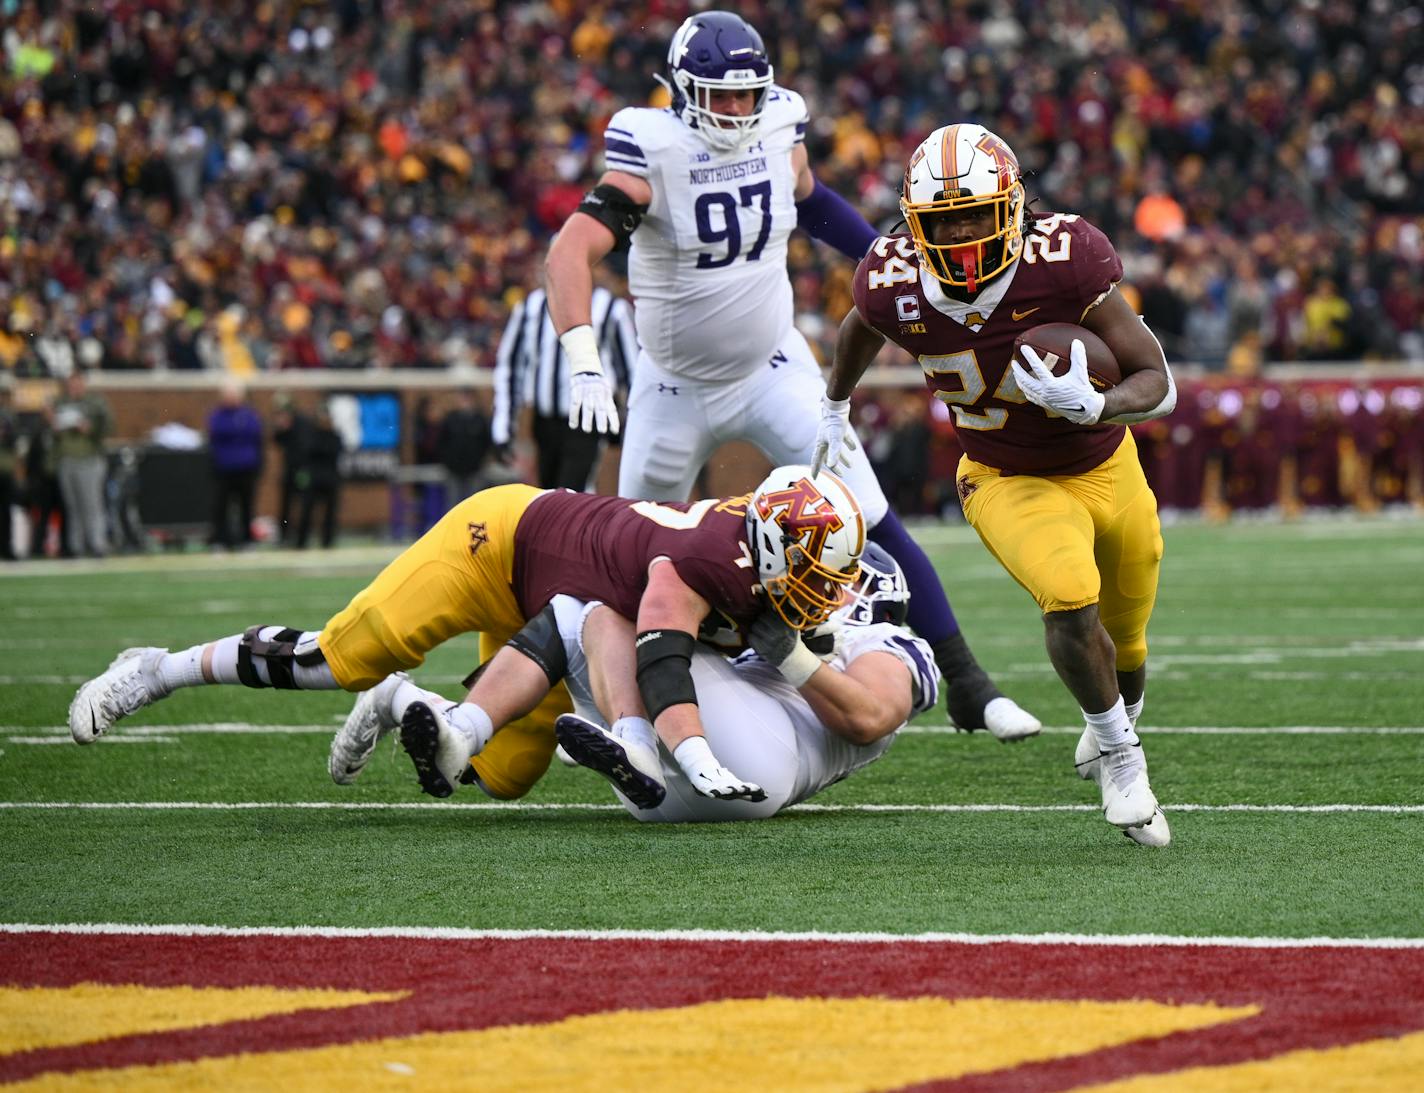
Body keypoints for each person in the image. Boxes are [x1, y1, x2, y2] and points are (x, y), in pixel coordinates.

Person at [544, 10, 1037, 741]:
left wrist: (881, 254)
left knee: (869, 513)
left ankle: (967, 680)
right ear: (682, 92)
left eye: (749, 94)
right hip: (671, 384)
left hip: (773, 364)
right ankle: (621, 719)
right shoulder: (652, 148)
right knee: (626, 561)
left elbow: (808, 200)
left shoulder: (781, 125)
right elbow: (570, 250)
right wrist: (582, 355)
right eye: (722, 96)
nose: (738, 110)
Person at [69, 464, 866, 807]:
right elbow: (663, 658)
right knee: (336, 658)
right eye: (812, 570)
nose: (821, 593)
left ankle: (402, 704)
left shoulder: (757, 557)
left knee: (506, 775)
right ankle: (158, 668)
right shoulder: (706, 561)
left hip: (563, 612)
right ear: (767, 546)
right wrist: (690, 752)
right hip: (502, 542)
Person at [813, 123, 1176, 847]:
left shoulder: (1066, 258)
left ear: (1013, 206)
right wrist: (834, 400)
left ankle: (1117, 715)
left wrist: (1099, 404)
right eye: (944, 222)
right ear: (915, 225)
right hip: (1005, 475)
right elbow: (860, 325)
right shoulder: (892, 278)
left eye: (977, 213)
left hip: (1107, 461)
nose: (963, 234)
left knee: (1128, 632)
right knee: (1072, 598)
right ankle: (1121, 754)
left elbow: (1157, 382)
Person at [553, 543, 939, 821]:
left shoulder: (881, 639)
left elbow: (868, 718)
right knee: (579, 608)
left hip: (758, 759)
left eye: (837, 577)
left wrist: (793, 657)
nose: (820, 581)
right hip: (658, 797)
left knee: (626, 606)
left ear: (874, 596)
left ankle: (617, 725)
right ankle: (622, 736)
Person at [490, 277, 636, 490]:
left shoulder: (611, 308)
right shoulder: (532, 307)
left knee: (573, 495)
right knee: (549, 494)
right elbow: (510, 366)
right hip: (544, 420)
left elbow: (631, 371)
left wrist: (629, 425)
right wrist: (502, 427)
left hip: (588, 419)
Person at [51, 370, 112, 558]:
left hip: (89, 458)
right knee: (73, 507)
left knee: (92, 504)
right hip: (67, 459)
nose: (74, 387)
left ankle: (97, 544)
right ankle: (76, 547)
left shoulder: (95, 403)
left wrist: (89, 428)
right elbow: (53, 434)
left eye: (77, 383)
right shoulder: (60, 403)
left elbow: (108, 427)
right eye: (71, 384)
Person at [206, 382, 264, 550]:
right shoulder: (217, 415)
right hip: (224, 468)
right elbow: (218, 432)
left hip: (246, 468)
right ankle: (220, 540)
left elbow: (256, 435)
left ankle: (247, 540)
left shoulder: (249, 414)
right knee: (221, 506)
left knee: (246, 506)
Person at [295, 405, 342, 549]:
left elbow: (334, 451)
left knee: (330, 512)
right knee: (307, 511)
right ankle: (301, 542)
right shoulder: (312, 435)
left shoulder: (334, 436)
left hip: (330, 478)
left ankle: (327, 541)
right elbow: (308, 452)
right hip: (314, 478)